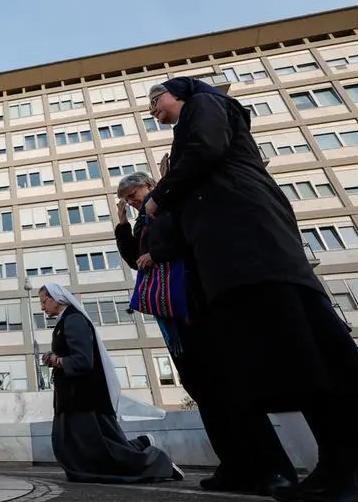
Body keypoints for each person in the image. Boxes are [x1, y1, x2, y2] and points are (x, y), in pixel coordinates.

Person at [145, 76, 358, 501]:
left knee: (303, 357)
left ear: (182, 93)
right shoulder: (207, 135)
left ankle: (346, 473)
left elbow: (204, 150)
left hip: (251, 252)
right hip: (254, 255)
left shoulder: (203, 106)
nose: (152, 108)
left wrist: (161, 196)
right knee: (307, 356)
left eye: (156, 98)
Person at [114, 172, 298, 494]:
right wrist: (122, 225)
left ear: (149, 185)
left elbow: (192, 236)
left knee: (231, 387)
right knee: (204, 392)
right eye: (126, 198)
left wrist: (157, 255)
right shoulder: (143, 221)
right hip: (175, 318)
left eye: (133, 193)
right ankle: (235, 465)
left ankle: (272, 467)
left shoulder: (171, 204)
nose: (130, 201)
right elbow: (134, 259)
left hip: (198, 306)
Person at [39, 282, 185, 484]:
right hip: (73, 399)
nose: (42, 307)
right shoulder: (66, 321)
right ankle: (142, 444)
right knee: (88, 448)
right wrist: (55, 357)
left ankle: (158, 463)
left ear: (56, 298)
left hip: (81, 399)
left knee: (97, 452)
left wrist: (57, 360)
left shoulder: (73, 320)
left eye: (43, 301)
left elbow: (83, 360)